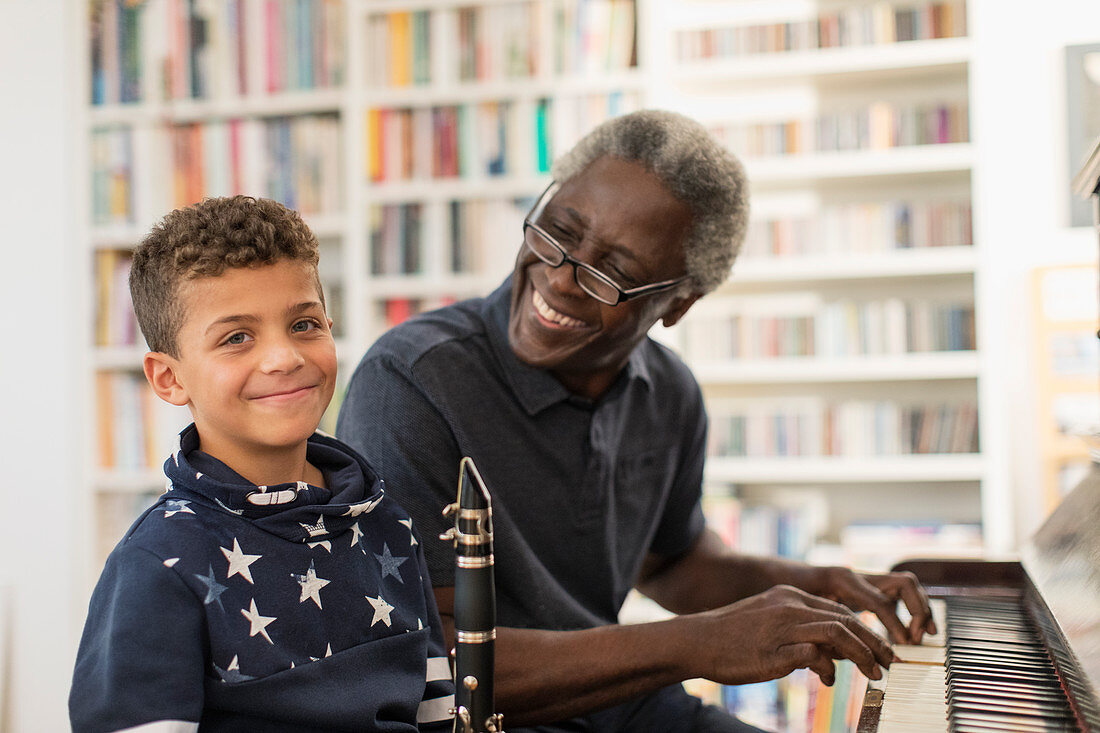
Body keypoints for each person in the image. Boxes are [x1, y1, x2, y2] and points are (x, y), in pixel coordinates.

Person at [335, 110, 936, 732]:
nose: (561, 278)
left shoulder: (669, 393)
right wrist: (698, 643)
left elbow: (674, 565)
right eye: (557, 232)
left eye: (614, 273)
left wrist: (821, 587)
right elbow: (434, 667)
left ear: (679, 304)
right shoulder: (410, 381)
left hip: (618, 707)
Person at [70, 196, 455, 732]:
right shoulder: (158, 564)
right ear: (169, 379)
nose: (285, 358)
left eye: (304, 325)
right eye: (236, 338)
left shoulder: (389, 525)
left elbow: (436, 712)